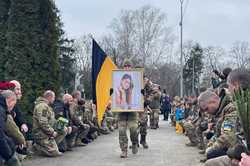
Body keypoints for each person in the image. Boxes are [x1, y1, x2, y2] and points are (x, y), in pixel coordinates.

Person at [115, 59, 139, 158]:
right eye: (125, 66)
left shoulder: (136, 79)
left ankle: (134, 143)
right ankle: (124, 150)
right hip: (121, 112)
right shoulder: (117, 80)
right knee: (121, 131)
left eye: (129, 66)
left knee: (133, 129)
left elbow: (140, 93)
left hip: (132, 112)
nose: (127, 67)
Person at [32, 90, 67, 157]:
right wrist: (52, 132)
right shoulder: (43, 107)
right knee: (55, 153)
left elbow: (52, 120)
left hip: (46, 131)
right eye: (53, 98)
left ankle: (51, 145)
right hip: (41, 133)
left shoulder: (47, 106)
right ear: (50, 97)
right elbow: (43, 123)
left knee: (64, 129)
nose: (54, 100)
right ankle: (37, 147)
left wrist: (62, 124)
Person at [0, 91, 22, 166]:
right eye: (13, 105)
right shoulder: (1, 111)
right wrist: (8, 154)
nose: (12, 108)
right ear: (9, 100)